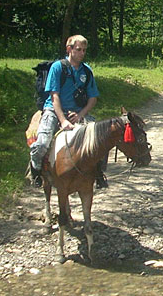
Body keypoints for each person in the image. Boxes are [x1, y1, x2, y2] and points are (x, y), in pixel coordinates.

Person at [29, 35, 107, 189]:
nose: (82, 53)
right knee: (42, 143)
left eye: (84, 50)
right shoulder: (57, 67)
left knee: (100, 140)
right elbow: (54, 96)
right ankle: (36, 171)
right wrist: (63, 120)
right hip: (53, 109)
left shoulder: (87, 71)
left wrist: (80, 115)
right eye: (78, 49)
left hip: (78, 111)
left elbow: (93, 99)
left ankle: (98, 174)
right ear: (69, 49)